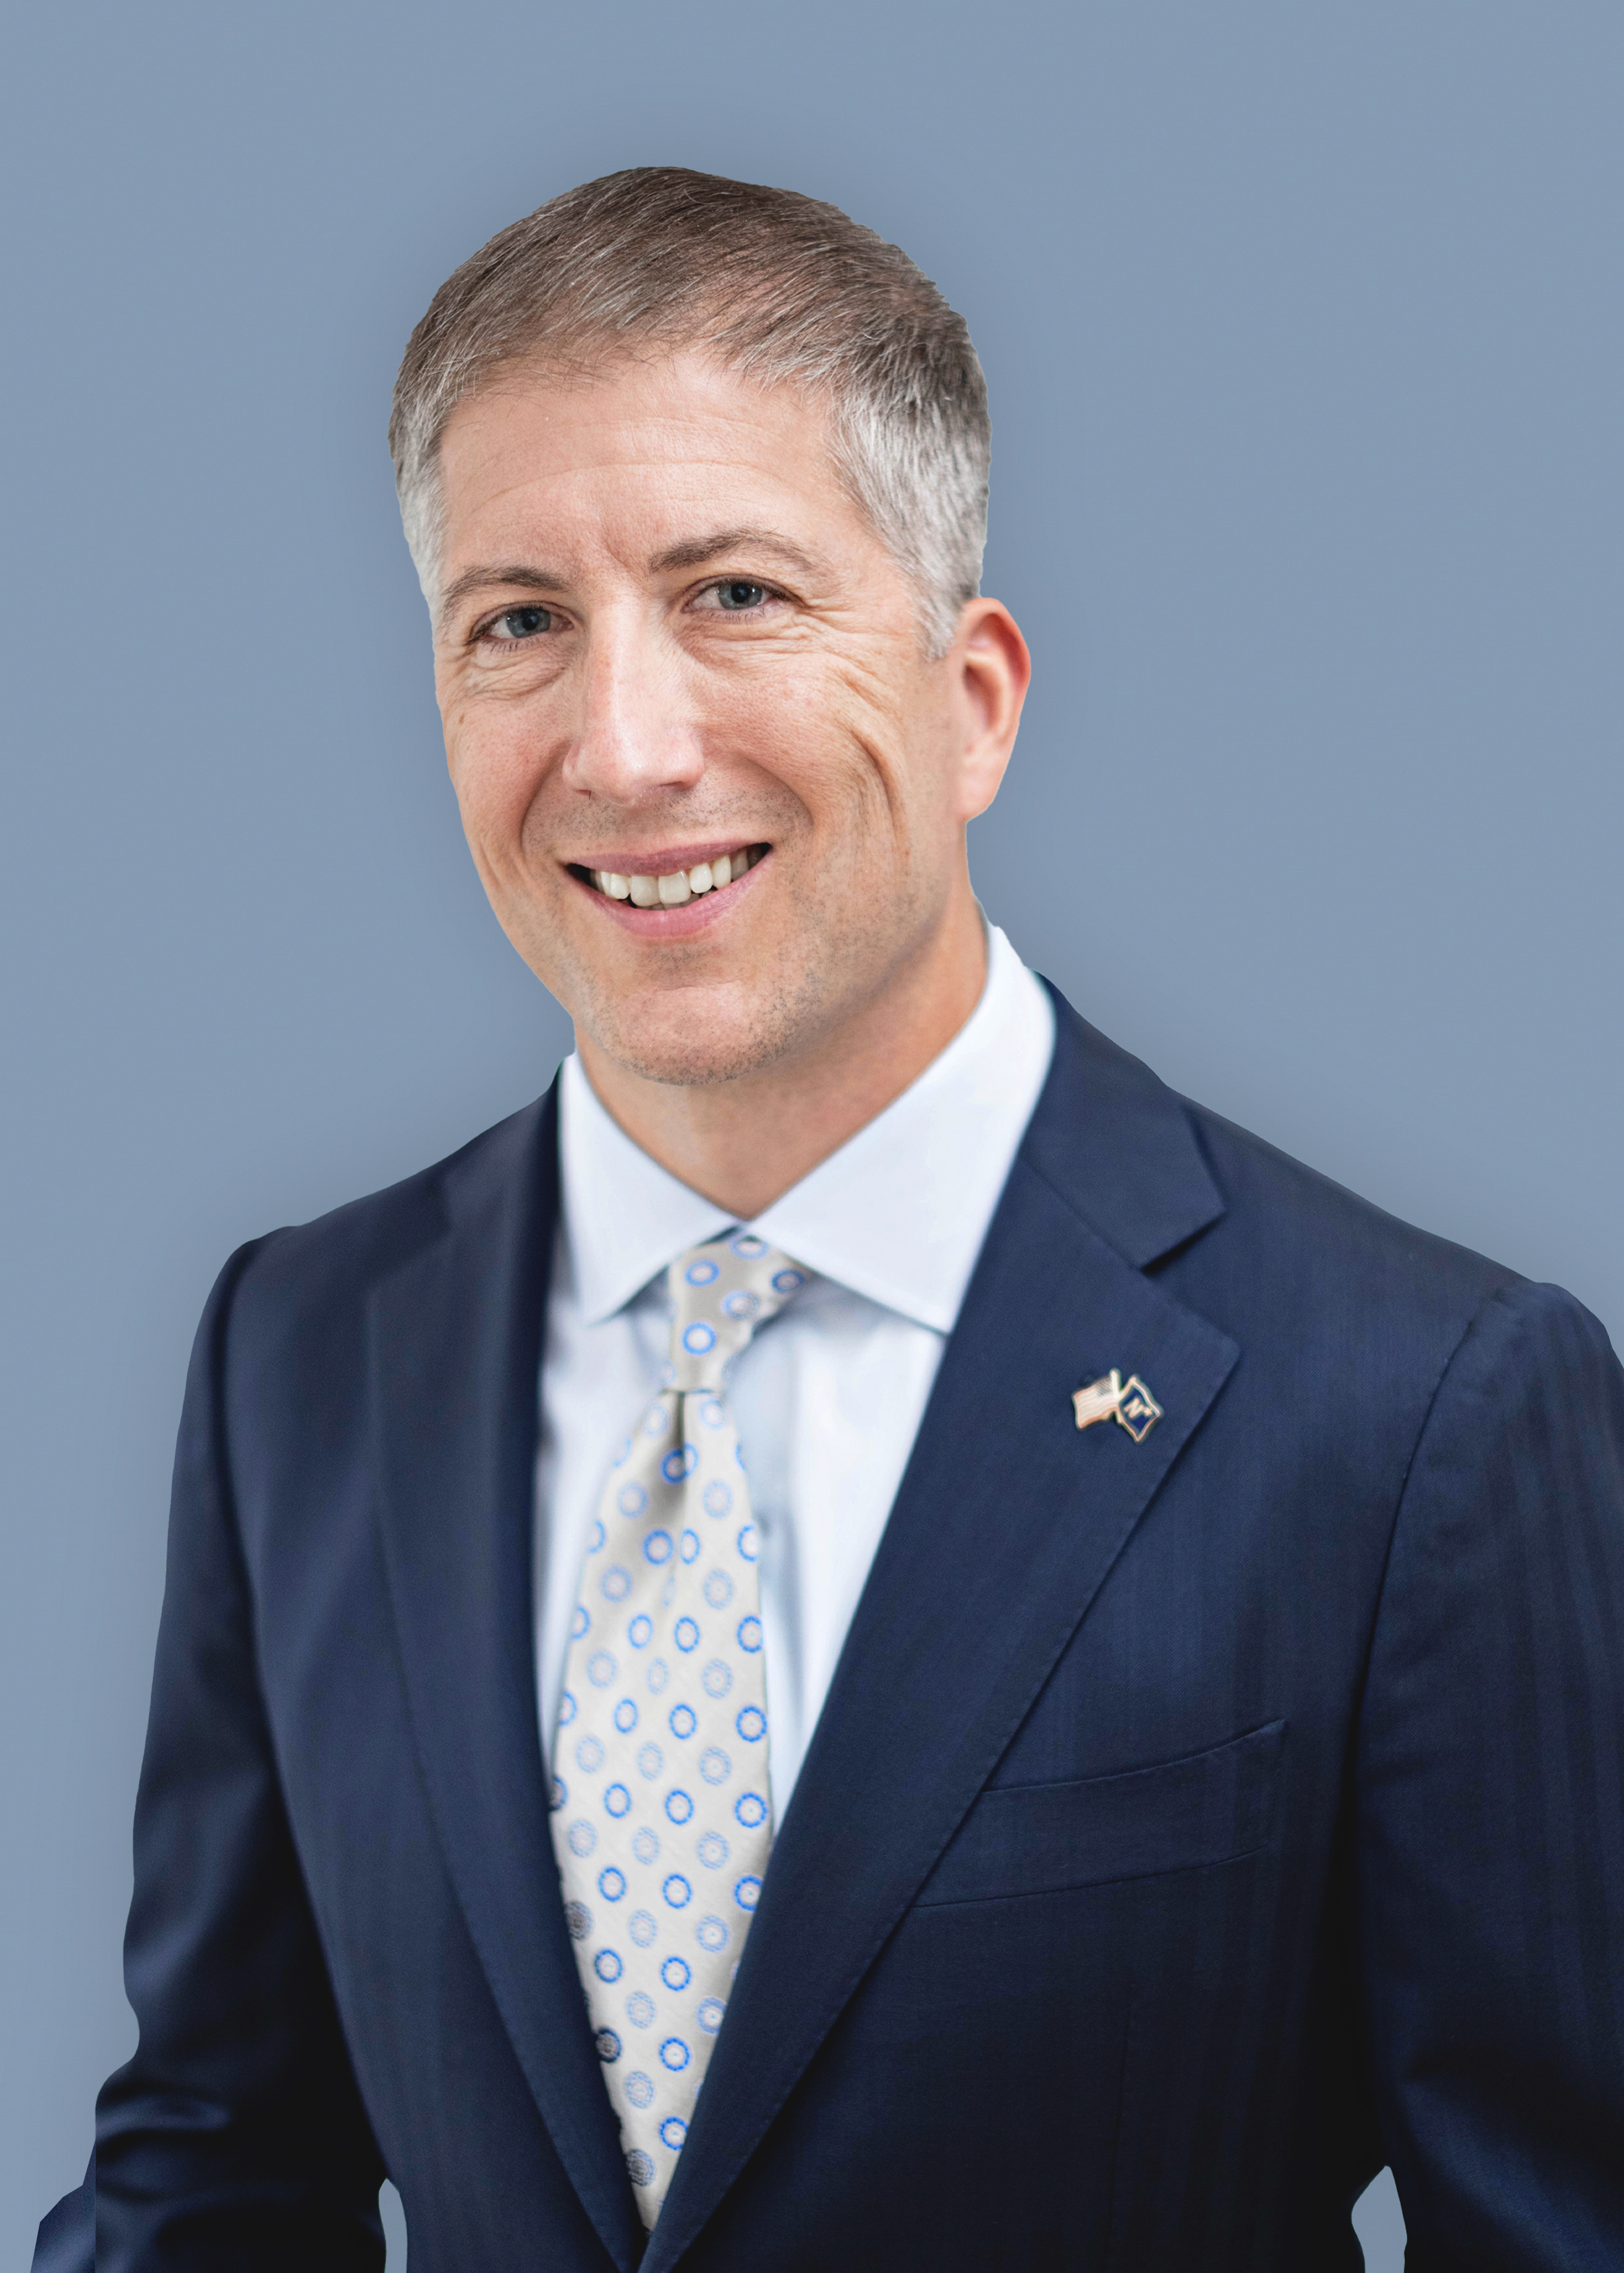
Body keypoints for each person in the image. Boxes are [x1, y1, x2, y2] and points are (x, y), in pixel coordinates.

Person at [36, 167, 1624, 2273]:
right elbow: (218, 2168)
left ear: (975, 700)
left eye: (735, 593)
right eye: (519, 621)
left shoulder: (1421, 1409)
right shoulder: (300, 1351)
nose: (624, 746)